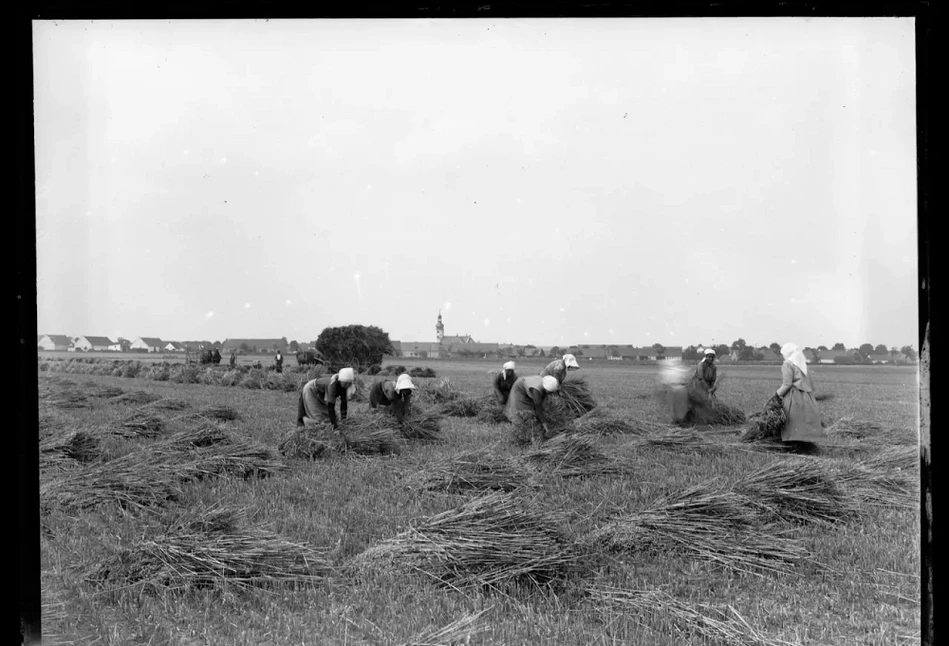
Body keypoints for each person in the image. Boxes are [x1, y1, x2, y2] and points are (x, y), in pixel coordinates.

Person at [775, 343, 825, 446]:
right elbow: (809, 384)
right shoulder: (802, 365)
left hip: (794, 397)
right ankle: (804, 445)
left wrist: (776, 395)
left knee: (791, 421)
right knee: (803, 421)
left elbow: (787, 384)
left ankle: (791, 445)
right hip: (806, 397)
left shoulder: (787, 364)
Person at [297, 367, 355, 434]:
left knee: (327, 418)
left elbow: (344, 404)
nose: (347, 385)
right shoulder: (333, 385)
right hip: (311, 390)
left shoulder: (344, 386)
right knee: (318, 419)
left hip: (321, 394)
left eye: (349, 383)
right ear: (340, 380)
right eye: (345, 383)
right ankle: (305, 420)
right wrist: (335, 428)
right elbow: (330, 408)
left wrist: (344, 421)